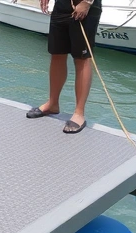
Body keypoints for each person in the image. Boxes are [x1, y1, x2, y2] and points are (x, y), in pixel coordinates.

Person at [26, 0, 102, 134]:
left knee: (81, 58)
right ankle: (53, 104)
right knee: (57, 53)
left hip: (85, 6)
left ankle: (79, 113)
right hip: (62, 5)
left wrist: (87, 2)